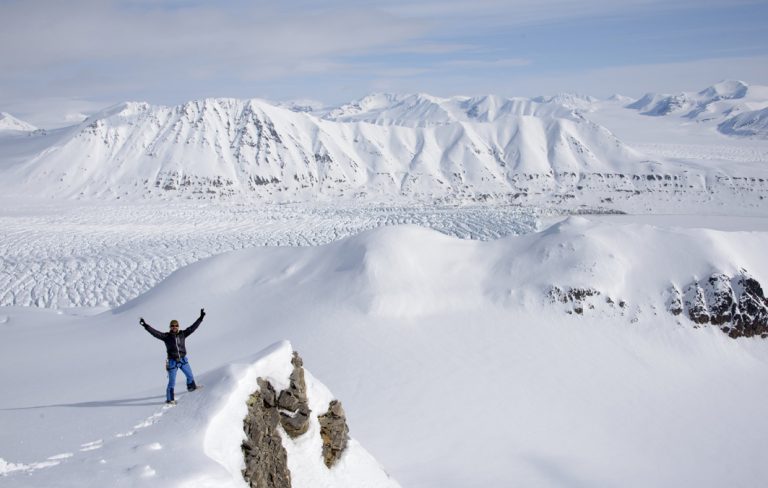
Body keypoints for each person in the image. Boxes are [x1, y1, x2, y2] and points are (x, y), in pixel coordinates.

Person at [140, 308, 206, 404]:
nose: (174, 327)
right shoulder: (166, 336)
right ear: (170, 327)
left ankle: (191, 387)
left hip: (183, 360)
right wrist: (145, 325)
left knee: (190, 376)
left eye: (176, 325)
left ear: (178, 326)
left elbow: (193, 328)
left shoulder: (183, 334)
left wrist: (201, 318)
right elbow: (155, 333)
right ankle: (170, 399)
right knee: (172, 382)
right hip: (172, 362)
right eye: (172, 326)